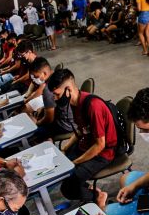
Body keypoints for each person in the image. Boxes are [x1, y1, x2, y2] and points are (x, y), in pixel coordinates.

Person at [47, 69, 118, 203]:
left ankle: (98, 197)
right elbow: (81, 131)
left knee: (68, 189)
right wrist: (65, 148)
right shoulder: (74, 103)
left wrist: (76, 162)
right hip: (87, 145)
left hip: (103, 154)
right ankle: (88, 188)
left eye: (56, 94)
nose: (55, 99)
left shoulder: (93, 106)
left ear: (68, 90)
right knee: (61, 168)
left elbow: (100, 145)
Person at [25, 58, 75, 142]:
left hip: (66, 125)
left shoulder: (48, 89)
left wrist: (38, 123)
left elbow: (49, 118)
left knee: (33, 132)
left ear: (44, 73)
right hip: (73, 119)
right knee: (38, 115)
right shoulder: (60, 78)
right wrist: (44, 108)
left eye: (36, 77)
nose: (34, 80)